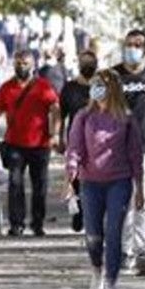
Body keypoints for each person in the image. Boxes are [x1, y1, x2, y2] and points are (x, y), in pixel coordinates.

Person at [65, 68, 144, 289]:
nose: (97, 88)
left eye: (102, 84)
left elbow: (135, 154)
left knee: (114, 232)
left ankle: (111, 280)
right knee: (93, 234)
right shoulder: (84, 116)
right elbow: (75, 148)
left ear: (113, 89)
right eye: (95, 84)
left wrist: (139, 187)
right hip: (90, 182)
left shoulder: (126, 118)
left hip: (119, 181)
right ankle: (96, 269)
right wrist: (70, 177)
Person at [0, 50, 62, 236]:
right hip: (15, 144)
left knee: (40, 186)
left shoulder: (43, 86)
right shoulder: (6, 88)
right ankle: (16, 224)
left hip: (40, 145)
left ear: (33, 65)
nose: (21, 67)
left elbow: (55, 109)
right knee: (15, 184)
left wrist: (55, 134)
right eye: (18, 63)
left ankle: (37, 223)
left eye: (25, 63)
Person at [112, 29, 145, 276]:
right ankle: (125, 251)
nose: (132, 48)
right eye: (129, 44)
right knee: (124, 203)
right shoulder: (113, 77)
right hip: (118, 150)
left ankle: (142, 251)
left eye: (138, 44)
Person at [59, 49, 100, 232]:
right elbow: (61, 115)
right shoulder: (69, 88)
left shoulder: (102, 87)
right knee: (74, 175)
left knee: (95, 175)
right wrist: (59, 137)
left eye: (90, 63)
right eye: (84, 63)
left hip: (98, 140)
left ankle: (94, 210)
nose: (87, 66)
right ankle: (78, 211)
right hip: (75, 139)